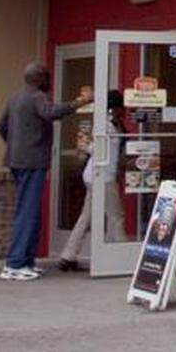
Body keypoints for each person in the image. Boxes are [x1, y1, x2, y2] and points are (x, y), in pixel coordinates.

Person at [0, 62, 92, 281]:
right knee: (28, 212)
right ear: (40, 79)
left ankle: (27, 262)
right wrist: (79, 102)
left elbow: (1, 126)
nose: (49, 81)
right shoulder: (37, 96)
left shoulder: (14, 98)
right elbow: (51, 113)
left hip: (16, 161)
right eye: (47, 77)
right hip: (32, 162)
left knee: (29, 211)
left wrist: (16, 145)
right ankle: (16, 264)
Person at [57, 89, 128, 271]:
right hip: (103, 177)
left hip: (94, 175)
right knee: (116, 216)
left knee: (86, 216)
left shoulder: (111, 123)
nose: (124, 110)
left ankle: (68, 255)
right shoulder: (106, 125)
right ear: (115, 108)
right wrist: (86, 146)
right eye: (121, 107)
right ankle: (122, 255)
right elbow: (97, 149)